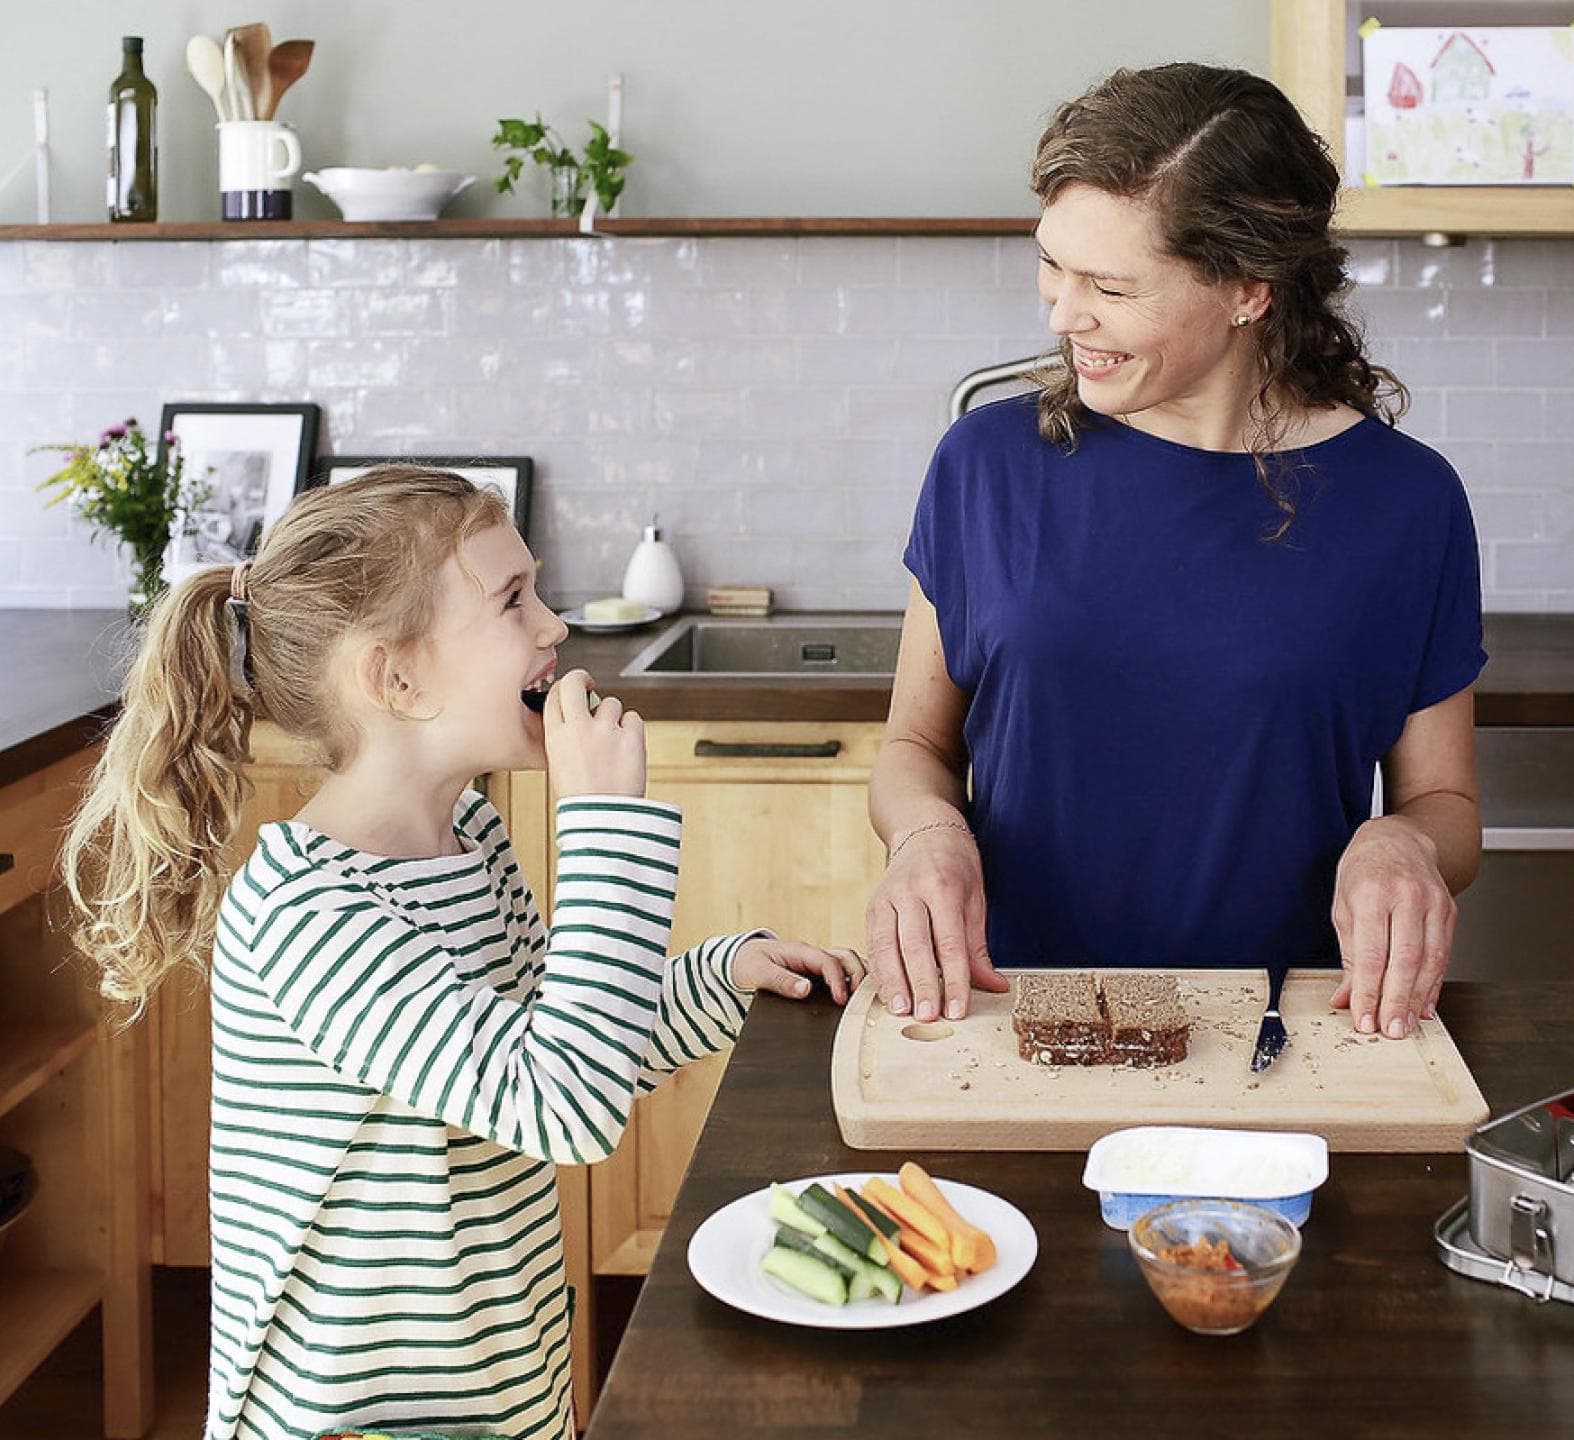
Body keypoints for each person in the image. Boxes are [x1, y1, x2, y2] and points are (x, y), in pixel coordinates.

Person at [59, 467, 864, 1440]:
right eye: (514, 601)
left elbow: (559, 1041)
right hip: (362, 1421)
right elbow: (562, 1106)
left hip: (502, 1389)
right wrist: (606, 825)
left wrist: (718, 976)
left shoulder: (470, 840)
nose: (555, 627)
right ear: (396, 678)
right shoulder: (309, 910)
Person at [866, 63, 1484, 1043]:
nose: (1064, 315)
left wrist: (1403, 843)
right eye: (1051, 266)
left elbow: (1444, 801)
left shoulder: (1408, 503)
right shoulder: (984, 465)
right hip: (1008, 1023)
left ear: (1247, 289)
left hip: (1289, 1038)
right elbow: (915, 748)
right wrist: (927, 831)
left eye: (1110, 286)